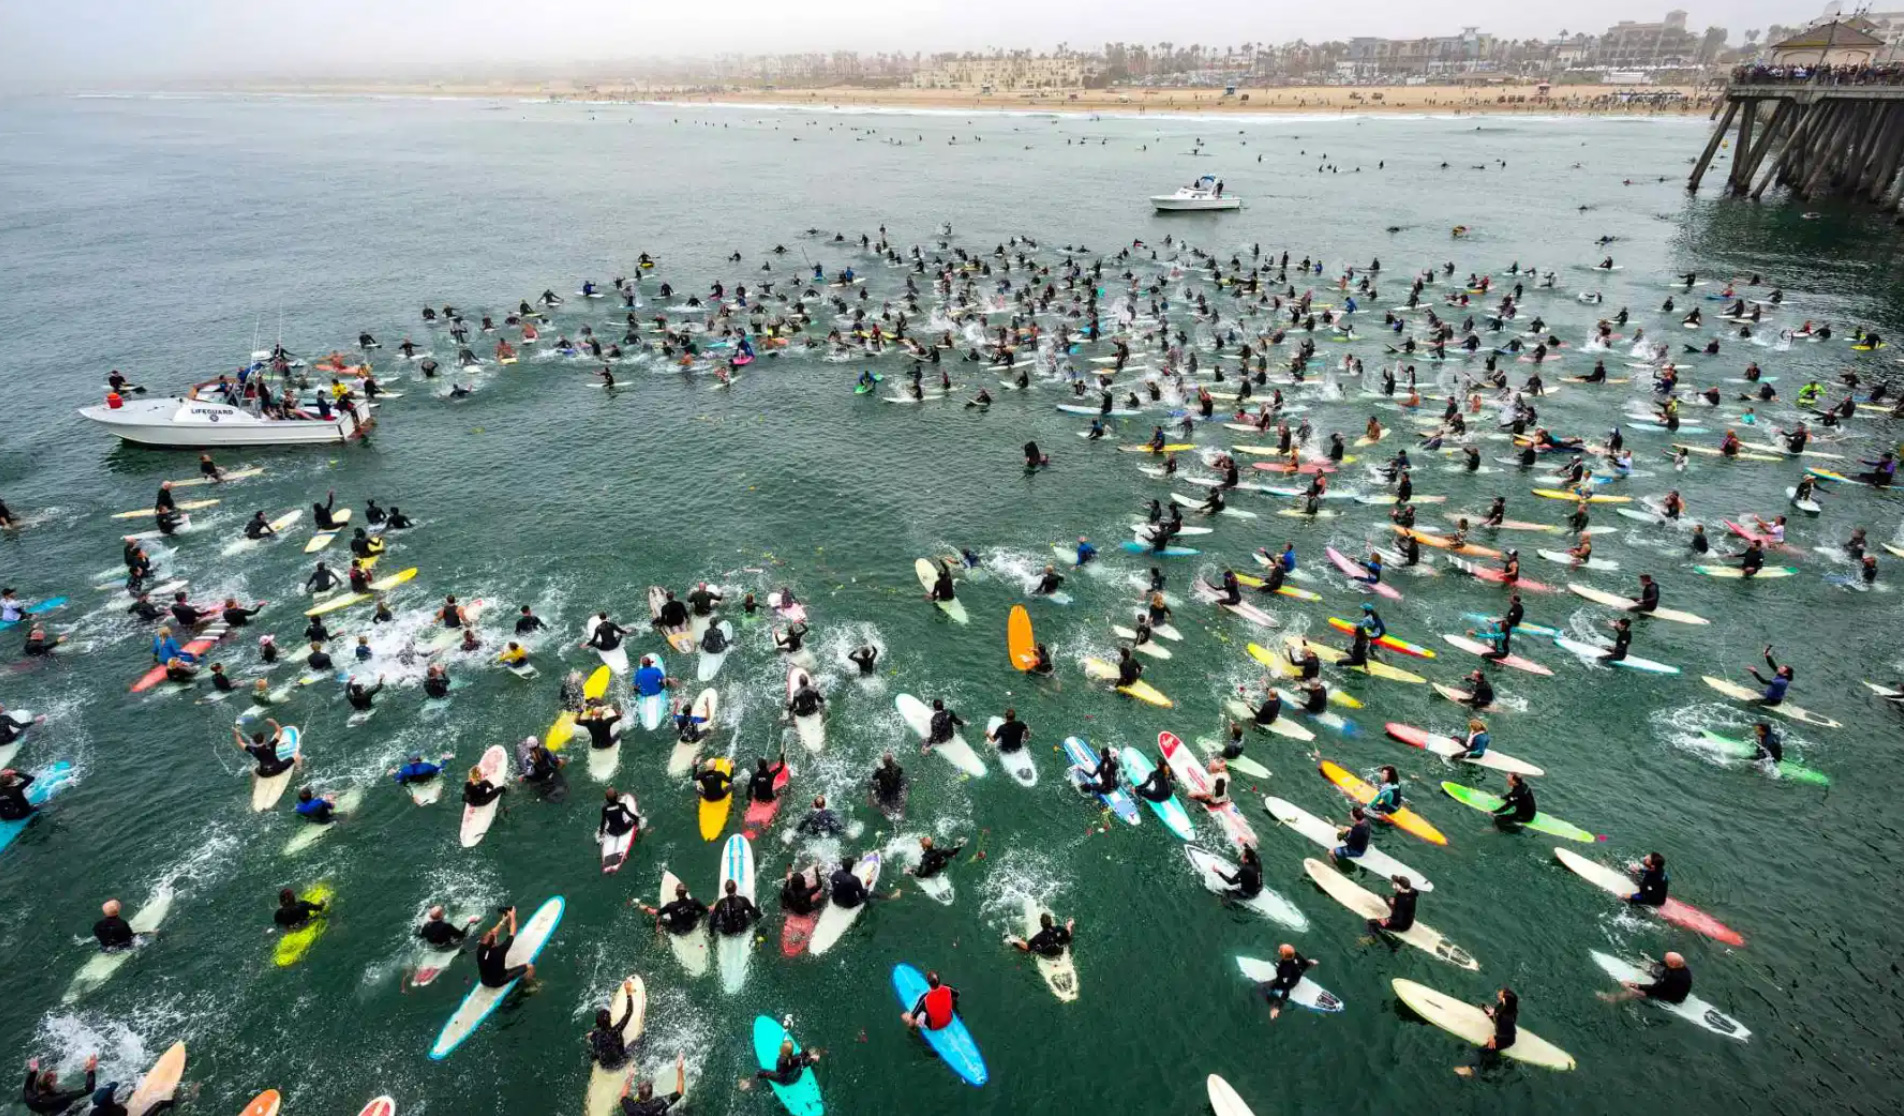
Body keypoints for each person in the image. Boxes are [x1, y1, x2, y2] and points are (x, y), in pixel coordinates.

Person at [1452, 988, 1520, 1076]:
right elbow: (1500, 1013)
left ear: (1504, 1000)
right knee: (1483, 1006)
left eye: (1501, 994)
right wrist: (1494, 1012)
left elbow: (1506, 1034)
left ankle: (1471, 1069)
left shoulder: (1507, 1018)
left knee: (1481, 1051)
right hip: (1500, 1026)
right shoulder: (1506, 1006)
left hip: (1505, 1039)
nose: (1498, 993)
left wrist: (1494, 1037)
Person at [1599, 951, 1693, 1005]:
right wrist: (1652, 966)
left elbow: (1655, 989)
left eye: (1666, 959)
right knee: (1647, 965)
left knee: (1632, 991)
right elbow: (1663, 963)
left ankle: (1613, 999)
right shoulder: (1678, 965)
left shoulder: (1674, 977)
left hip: (1672, 997)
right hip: (1668, 983)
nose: (1664, 960)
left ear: (1672, 964)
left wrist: (1633, 985)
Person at [475, 906, 536, 988]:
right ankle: (530, 986)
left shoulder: (480, 949)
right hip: (498, 981)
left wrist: (503, 921)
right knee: (530, 967)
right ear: (494, 942)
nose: (494, 932)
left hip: (484, 981)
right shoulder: (501, 950)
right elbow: (512, 932)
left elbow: (493, 933)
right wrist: (512, 916)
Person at [588, 977, 641, 1071]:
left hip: (604, 1066)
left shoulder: (596, 1035)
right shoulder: (616, 1030)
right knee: (639, 1041)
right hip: (620, 1064)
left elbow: (590, 1036)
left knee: (596, 1048)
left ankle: (595, 1060)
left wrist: (591, 1035)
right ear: (610, 1019)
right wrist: (628, 993)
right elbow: (629, 1012)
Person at [1255, 943, 1318, 1021]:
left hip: (1288, 983)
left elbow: (1286, 990)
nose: (1278, 951)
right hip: (1296, 976)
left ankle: (1272, 1004)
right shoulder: (1296, 955)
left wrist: (1277, 1008)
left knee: (1260, 988)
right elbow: (1305, 964)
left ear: (1284, 955)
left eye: (1280, 951)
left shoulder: (1284, 969)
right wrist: (1311, 963)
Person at [19, 1054, 97, 1115]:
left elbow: (30, 1078)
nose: (53, 1073)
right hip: (59, 1112)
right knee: (88, 1105)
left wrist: (34, 1068)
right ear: (52, 1084)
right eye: (53, 1077)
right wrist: (90, 1070)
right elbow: (88, 1089)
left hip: (39, 1107)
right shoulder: (60, 1098)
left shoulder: (29, 1095)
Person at [620, 1056, 686, 1115]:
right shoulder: (660, 1103)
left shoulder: (630, 1107)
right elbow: (680, 1092)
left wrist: (631, 1076)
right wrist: (680, 1069)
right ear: (651, 1093)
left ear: (639, 1093)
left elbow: (623, 1095)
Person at [640, 881, 708, 939]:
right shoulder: (694, 901)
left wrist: (646, 908)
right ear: (686, 892)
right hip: (692, 927)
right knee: (701, 912)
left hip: (679, 932)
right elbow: (706, 910)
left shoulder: (671, 906)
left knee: (660, 920)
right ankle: (704, 928)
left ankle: (660, 939)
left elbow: (655, 912)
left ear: (676, 893)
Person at [1364, 875, 1418, 941]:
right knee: (1385, 897)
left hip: (1402, 926)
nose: (1393, 884)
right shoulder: (1412, 891)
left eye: (1396, 884)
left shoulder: (1402, 902)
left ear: (1401, 887)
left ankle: (1371, 938)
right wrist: (1394, 901)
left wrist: (1385, 921)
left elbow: (1398, 919)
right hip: (1406, 917)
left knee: (1371, 922)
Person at [753, 1036, 822, 1087]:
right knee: (801, 1059)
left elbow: (766, 1074)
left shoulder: (781, 1062)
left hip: (787, 1080)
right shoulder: (793, 1058)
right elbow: (800, 1057)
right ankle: (814, 1056)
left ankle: (750, 1083)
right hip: (794, 1074)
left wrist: (752, 1080)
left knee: (761, 1072)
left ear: (780, 1050)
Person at [1010, 911, 1075, 957]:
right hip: (1060, 952)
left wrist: (1014, 941)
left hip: (1049, 956)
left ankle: (1012, 940)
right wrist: (1069, 924)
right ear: (1051, 922)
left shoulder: (1038, 937)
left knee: (1027, 949)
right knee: (1066, 937)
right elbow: (1068, 933)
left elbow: (1027, 947)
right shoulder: (1059, 928)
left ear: (1041, 924)